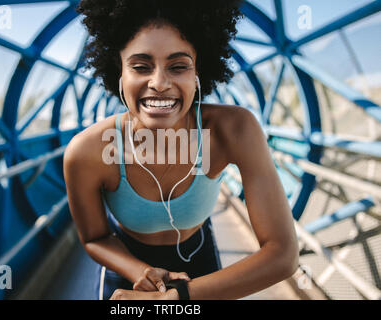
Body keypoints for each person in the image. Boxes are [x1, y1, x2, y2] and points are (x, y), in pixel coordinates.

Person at [63, 0, 299, 300]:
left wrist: (175, 297)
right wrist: (140, 272)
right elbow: (95, 238)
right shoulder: (87, 152)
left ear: (197, 72)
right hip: (128, 275)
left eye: (178, 66)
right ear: (118, 73)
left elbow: (283, 254)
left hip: (201, 266)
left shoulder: (234, 129)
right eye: (140, 66)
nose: (159, 83)